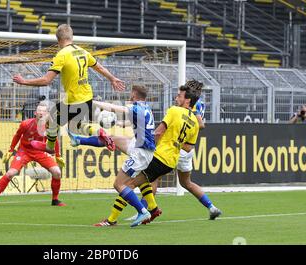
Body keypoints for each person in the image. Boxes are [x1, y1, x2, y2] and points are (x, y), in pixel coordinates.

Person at [13, 24, 125, 154]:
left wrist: (24, 81)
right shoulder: (83, 51)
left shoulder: (62, 55)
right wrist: (112, 78)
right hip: (87, 97)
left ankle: (50, 147)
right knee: (75, 125)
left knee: (50, 121)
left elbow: (46, 80)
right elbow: (100, 68)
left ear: (58, 40)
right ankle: (98, 132)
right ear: (71, 37)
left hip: (73, 100)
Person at [68, 85, 158, 227]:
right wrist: (119, 123)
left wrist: (94, 103)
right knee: (111, 138)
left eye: (130, 94)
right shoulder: (145, 107)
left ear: (134, 95)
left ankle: (142, 211)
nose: (129, 96)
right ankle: (78, 140)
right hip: (140, 146)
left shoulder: (136, 108)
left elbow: (117, 109)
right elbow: (131, 121)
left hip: (141, 152)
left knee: (119, 184)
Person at [126, 92, 221, 222]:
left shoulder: (189, 105)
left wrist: (177, 136)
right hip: (184, 148)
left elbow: (201, 124)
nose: (177, 97)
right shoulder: (196, 101)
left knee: (150, 179)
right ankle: (211, 207)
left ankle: (143, 211)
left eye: (179, 95)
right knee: (186, 182)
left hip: (174, 147)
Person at [0, 101, 66, 207]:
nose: (41, 113)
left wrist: (58, 155)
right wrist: (11, 150)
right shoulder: (26, 124)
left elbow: (54, 140)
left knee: (57, 172)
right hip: (24, 151)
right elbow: (17, 136)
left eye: (44, 111)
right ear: (35, 113)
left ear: (47, 114)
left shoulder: (50, 126)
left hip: (40, 152)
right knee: (11, 173)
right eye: (39, 111)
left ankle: (55, 200)